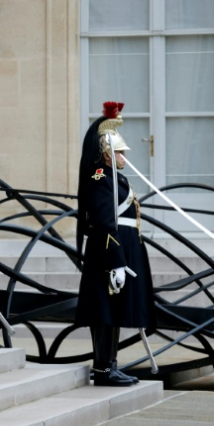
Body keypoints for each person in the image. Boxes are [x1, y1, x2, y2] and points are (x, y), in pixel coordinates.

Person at [75, 102, 155, 386]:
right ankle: (103, 369)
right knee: (106, 311)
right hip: (110, 251)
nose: (124, 157)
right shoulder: (99, 177)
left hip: (122, 249)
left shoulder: (115, 178)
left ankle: (110, 364)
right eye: (119, 152)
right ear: (107, 153)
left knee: (115, 309)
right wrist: (116, 261)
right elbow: (104, 223)